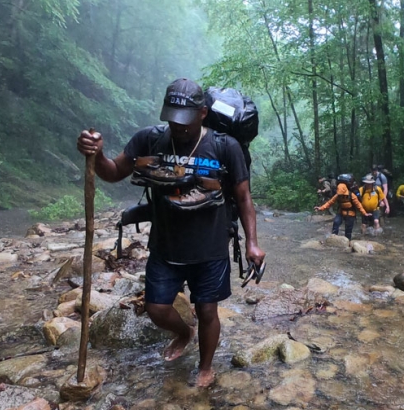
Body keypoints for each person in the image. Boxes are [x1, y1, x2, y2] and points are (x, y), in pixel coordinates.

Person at [76, 78, 265, 388]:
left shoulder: (224, 146)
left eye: (185, 120)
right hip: (166, 246)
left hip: (211, 247)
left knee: (207, 309)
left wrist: (253, 244)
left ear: (203, 113)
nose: (178, 126)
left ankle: (205, 367)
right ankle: (183, 332)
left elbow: (244, 198)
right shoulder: (148, 140)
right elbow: (111, 172)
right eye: (172, 119)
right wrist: (96, 154)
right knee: (156, 308)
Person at [314, 173, 370, 240]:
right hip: (341, 212)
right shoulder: (338, 195)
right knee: (336, 223)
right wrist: (320, 208)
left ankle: (347, 242)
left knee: (348, 231)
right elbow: (329, 203)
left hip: (350, 214)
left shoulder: (351, 195)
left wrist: (364, 213)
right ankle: (334, 239)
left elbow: (359, 205)